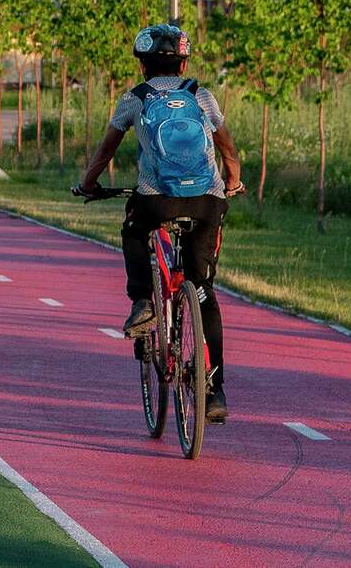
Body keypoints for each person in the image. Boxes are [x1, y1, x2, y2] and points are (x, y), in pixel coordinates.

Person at [72, 23, 242, 423]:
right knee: (203, 290)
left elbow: (105, 150)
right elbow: (227, 147)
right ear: (183, 62)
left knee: (134, 228)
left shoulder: (134, 99)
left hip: (155, 202)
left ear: (143, 63)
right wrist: (232, 180)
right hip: (206, 202)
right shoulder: (201, 96)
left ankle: (144, 301)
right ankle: (214, 390)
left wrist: (88, 184)